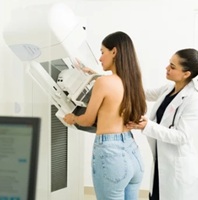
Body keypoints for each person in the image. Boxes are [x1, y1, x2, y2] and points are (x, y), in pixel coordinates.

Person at [63, 31, 147, 200]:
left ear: (114, 52)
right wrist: (94, 74)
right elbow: (114, 88)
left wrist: (72, 118)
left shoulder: (103, 83)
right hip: (133, 153)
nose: (100, 58)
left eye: (102, 52)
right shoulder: (132, 81)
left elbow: (87, 120)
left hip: (111, 155)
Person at [126, 48, 198, 200]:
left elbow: (181, 136)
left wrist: (146, 125)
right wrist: (112, 79)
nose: (167, 68)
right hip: (161, 164)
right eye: (169, 63)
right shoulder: (169, 89)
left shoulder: (195, 101)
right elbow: (143, 93)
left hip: (178, 170)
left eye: (173, 67)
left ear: (186, 74)